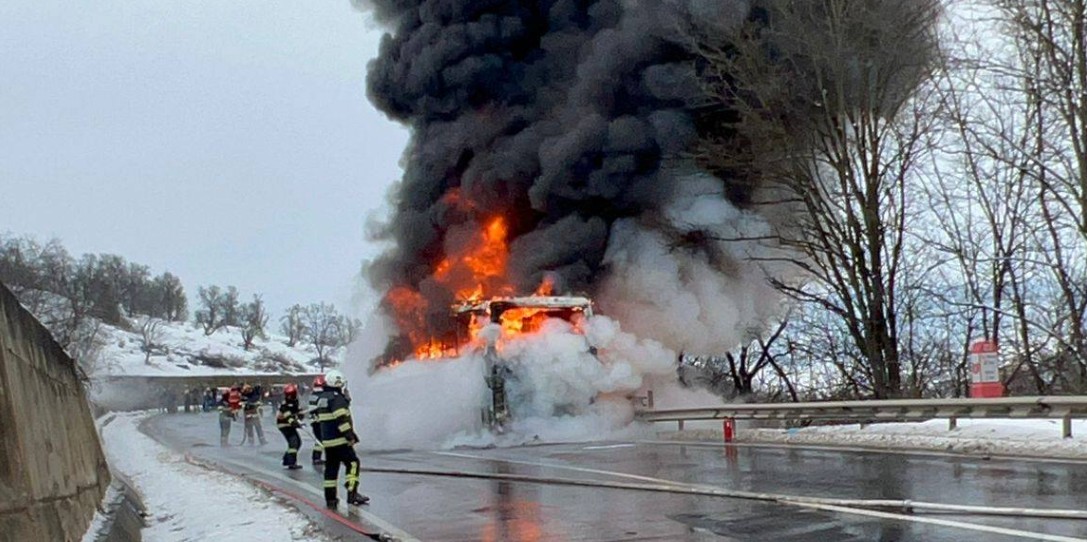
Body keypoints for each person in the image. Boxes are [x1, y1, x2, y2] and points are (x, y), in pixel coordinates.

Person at [314, 370, 368, 508]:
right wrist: (350, 435)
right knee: (353, 463)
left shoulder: (323, 398)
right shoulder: (337, 398)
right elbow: (341, 419)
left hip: (328, 442)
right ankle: (352, 493)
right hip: (340, 440)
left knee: (331, 469)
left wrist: (346, 401)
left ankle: (330, 498)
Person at [276, 384, 304, 470]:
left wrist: (300, 415)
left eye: (291, 395)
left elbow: (298, 411)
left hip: (290, 425)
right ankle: (291, 463)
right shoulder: (284, 404)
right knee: (294, 442)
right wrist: (294, 422)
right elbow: (288, 416)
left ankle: (287, 459)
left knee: (298, 443)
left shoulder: (295, 402)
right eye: (288, 395)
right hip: (283, 425)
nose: (290, 397)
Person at [308, 375, 326, 466]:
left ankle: (316, 457)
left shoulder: (313, 395)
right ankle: (316, 457)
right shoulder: (322, 396)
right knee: (321, 439)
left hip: (314, 421)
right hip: (320, 421)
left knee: (319, 439)